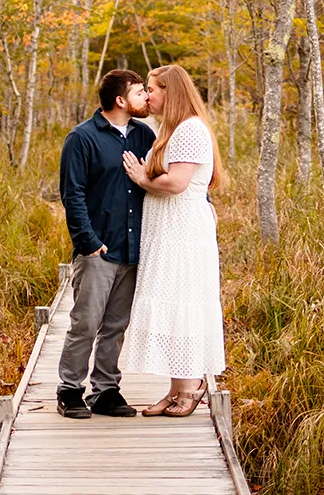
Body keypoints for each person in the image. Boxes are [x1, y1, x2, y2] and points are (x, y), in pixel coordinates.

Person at [120, 63, 227, 417]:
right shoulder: (171, 129)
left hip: (182, 230)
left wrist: (140, 178)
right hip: (167, 228)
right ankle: (175, 387)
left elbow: (176, 183)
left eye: (152, 89)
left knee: (183, 301)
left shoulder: (191, 130)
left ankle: (192, 385)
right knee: (170, 301)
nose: (148, 96)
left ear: (171, 91)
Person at [56, 67, 154, 420]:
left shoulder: (144, 136)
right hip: (99, 247)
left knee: (116, 324)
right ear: (119, 99)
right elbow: (73, 194)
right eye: (140, 91)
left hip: (133, 247)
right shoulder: (81, 138)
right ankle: (70, 389)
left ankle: (106, 390)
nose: (146, 96)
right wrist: (88, 241)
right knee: (86, 322)